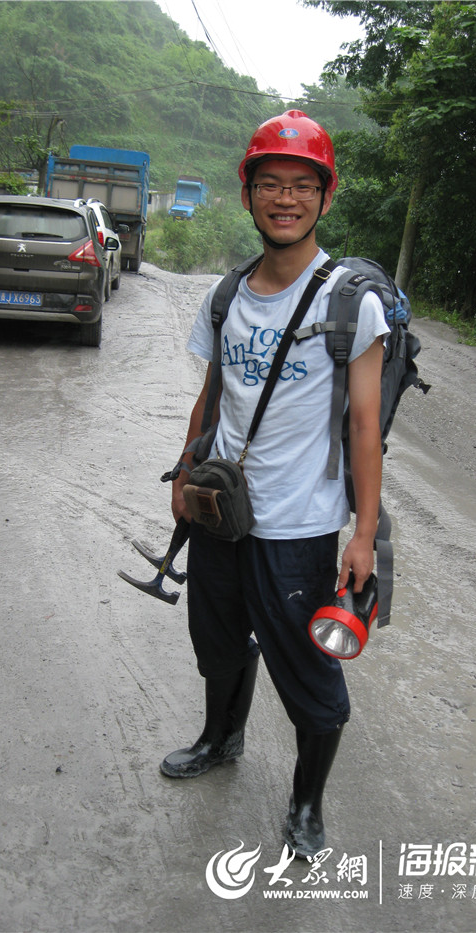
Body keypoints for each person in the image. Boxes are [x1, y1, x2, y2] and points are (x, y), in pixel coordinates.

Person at [161, 111, 390, 859]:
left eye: (301, 185)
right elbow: (213, 392)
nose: (283, 198)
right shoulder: (226, 296)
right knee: (219, 644)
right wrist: (186, 470)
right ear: (248, 194)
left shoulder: (351, 303)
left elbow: (363, 426)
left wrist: (362, 534)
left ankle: (305, 804)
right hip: (222, 513)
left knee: (311, 677)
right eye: (270, 184)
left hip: (297, 527)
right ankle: (219, 738)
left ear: (325, 198)